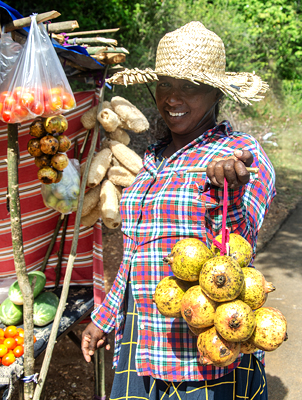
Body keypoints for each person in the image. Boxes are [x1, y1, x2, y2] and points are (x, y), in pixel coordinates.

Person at [81, 21, 275, 399]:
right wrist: (103, 317)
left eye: (190, 86)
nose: (172, 97)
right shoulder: (153, 159)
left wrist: (229, 192)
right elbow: (138, 248)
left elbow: (241, 242)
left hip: (206, 341)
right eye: (166, 83)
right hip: (141, 336)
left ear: (216, 93)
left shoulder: (239, 154)